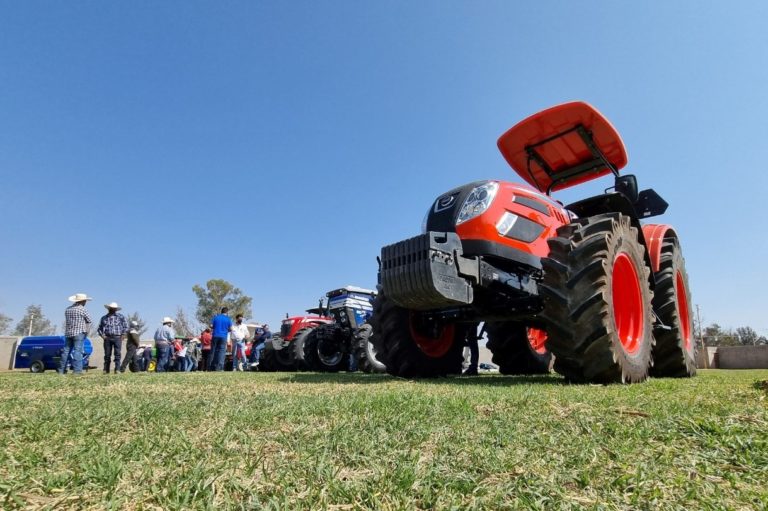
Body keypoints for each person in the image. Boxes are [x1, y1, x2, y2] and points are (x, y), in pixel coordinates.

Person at [59, 293, 93, 375]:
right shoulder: (82, 309)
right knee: (78, 351)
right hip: (79, 332)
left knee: (66, 351)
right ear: (83, 301)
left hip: (68, 332)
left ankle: (61, 370)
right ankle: (77, 371)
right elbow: (89, 321)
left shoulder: (68, 309)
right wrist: (87, 332)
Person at [98, 302, 129, 374]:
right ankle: (106, 370)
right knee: (107, 355)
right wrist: (102, 335)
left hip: (117, 337)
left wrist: (123, 335)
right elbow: (99, 328)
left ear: (116, 309)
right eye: (111, 308)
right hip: (107, 338)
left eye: (114, 309)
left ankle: (117, 369)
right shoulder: (104, 318)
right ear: (108, 309)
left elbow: (126, 326)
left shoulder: (121, 317)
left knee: (117, 354)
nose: (112, 309)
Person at [210, 307, 232, 371]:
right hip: (223, 336)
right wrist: (226, 330)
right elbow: (231, 328)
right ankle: (219, 367)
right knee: (221, 352)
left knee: (213, 351)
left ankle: (212, 367)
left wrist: (215, 327)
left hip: (215, 335)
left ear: (221, 311)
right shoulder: (228, 319)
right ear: (227, 312)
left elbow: (211, 326)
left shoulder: (216, 317)